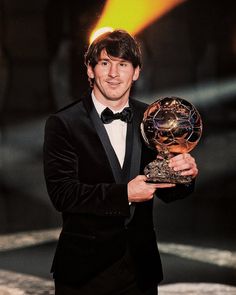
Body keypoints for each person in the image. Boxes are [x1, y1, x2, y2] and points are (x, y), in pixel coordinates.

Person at [43, 29, 198, 295]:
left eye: (123, 65)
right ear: (90, 70)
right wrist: (124, 194)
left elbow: (169, 189)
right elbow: (63, 195)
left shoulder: (152, 119)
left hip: (140, 270)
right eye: (105, 63)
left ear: (136, 72)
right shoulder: (63, 123)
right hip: (84, 273)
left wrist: (185, 176)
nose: (114, 74)